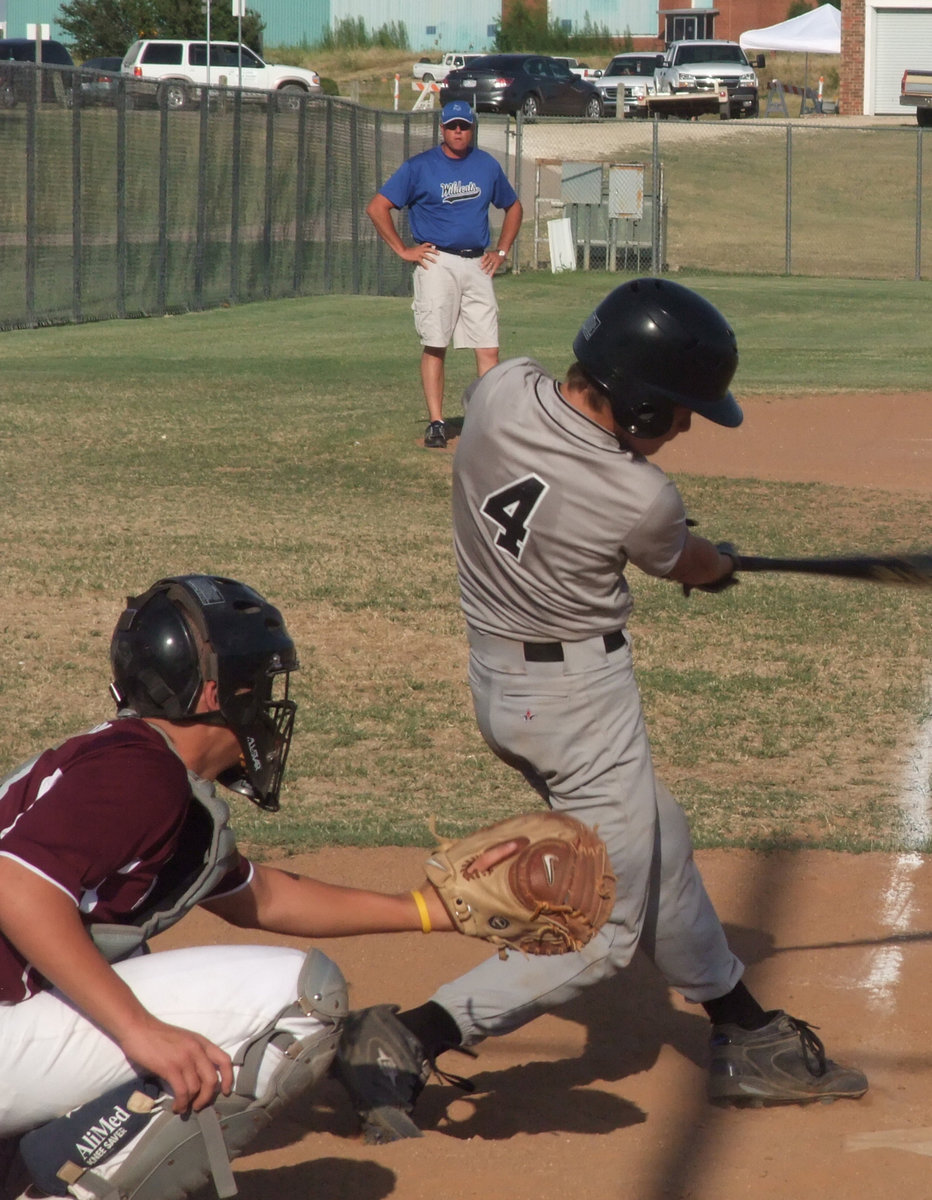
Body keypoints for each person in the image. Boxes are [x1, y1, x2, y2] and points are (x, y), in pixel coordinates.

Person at [332, 278, 869, 1143]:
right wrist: (717, 563)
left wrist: (704, 555)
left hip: (500, 686)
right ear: (642, 402)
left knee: (659, 839)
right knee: (599, 934)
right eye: (681, 410)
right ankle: (410, 1034)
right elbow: (682, 559)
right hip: (579, 706)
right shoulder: (641, 497)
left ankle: (742, 1026)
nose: (688, 425)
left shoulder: (501, 391)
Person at [0, 573, 484, 1200]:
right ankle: (51, 1185)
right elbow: (15, 885)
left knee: (121, 953)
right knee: (302, 997)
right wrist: (138, 1031)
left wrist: (427, 910)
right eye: (258, 682)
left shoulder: (121, 760)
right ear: (212, 691)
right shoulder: (141, 776)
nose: (267, 704)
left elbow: (264, 897)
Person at [365, 99, 523, 449]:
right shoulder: (420, 167)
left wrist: (501, 251)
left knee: (488, 347)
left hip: (478, 262)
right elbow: (378, 207)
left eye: (464, 126)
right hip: (437, 262)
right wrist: (403, 250)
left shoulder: (486, 165)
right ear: (442, 129)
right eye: (452, 126)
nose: (458, 132)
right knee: (436, 343)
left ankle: (487, 424)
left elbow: (513, 206)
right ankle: (437, 422)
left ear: (472, 129)